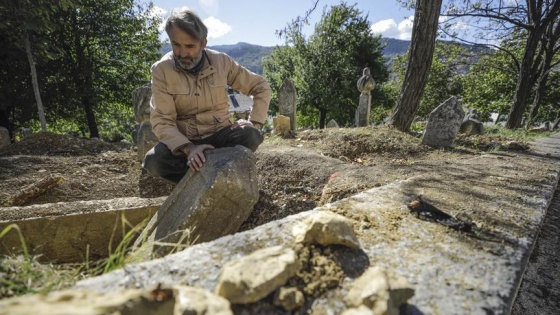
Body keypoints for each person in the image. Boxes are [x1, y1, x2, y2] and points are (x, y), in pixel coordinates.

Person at [143, 8, 271, 183]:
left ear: (203, 43)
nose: (182, 53)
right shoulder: (161, 70)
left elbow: (260, 86)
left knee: (251, 135)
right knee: (154, 162)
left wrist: (255, 122)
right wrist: (189, 148)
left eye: (190, 46)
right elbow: (162, 121)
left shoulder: (222, 62)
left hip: (221, 135)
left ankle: (211, 173)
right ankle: (200, 181)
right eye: (176, 45)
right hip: (184, 142)